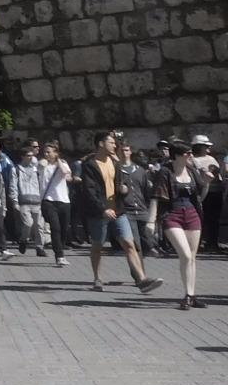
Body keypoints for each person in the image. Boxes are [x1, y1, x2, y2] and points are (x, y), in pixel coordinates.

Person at [79, 130, 162, 295]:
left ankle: (142, 279)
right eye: (111, 142)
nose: (114, 145)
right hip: (99, 213)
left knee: (129, 244)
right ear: (101, 144)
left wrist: (123, 190)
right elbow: (89, 191)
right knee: (98, 245)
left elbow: (119, 185)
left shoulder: (115, 163)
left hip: (118, 211)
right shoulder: (89, 165)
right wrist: (103, 209)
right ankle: (97, 277)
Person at [149, 139, 207, 310]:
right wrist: (151, 221)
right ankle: (188, 295)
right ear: (178, 155)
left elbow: (200, 196)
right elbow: (156, 196)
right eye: (187, 153)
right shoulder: (166, 172)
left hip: (192, 214)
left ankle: (190, 295)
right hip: (172, 215)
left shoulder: (191, 171)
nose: (191, 155)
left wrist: (208, 182)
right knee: (186, 256)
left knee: (192, 258)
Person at [11, 142, 48, 257]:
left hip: (37, 201)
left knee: (39, 225)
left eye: (32, 155)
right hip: (24, 201)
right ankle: (23, 240)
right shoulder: (16, 169)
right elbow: (13, 186)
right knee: (28, 223)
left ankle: (39, 247)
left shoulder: (36, 169)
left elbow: (43, 183)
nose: (31, 157)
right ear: (23, 156)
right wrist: (14, 201)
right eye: (28, 155)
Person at [41, 141, 72, 268]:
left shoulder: (63, 164)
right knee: (55, 228)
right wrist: (44, 162)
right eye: (45, 152)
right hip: (48, 201)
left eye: (49, 152)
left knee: (64, 229)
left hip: (64, 201)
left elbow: (66, 173)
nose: (46, 154)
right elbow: (39, 165)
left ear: (56, 153)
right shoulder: (42, 164)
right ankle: (59, 256)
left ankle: (61, 250)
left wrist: (58, 161)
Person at [190, 136, 221, 252]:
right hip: (200, 193)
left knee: (214, 219)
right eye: (206, 146)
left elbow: (218, 174)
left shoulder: (212, 159)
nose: (208, 148)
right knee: (200, 218)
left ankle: (212, 243)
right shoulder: (192, 160)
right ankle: (197, 243)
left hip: (215, 191)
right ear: (199, 147)